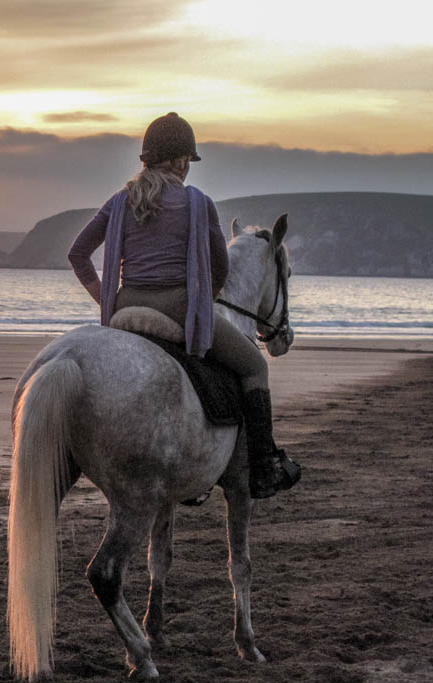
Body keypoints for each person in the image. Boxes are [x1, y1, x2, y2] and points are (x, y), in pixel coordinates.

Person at [67, 112, 300, 499]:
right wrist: (199, 305)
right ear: (178, 161)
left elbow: (78, 254)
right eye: (188, 161)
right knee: (255, 366)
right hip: (176, 309)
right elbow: (220, 268)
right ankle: (263, 466)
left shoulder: (120, 201)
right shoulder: (197, 203)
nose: (188, 169)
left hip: (126, 312)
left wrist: (107, 299)